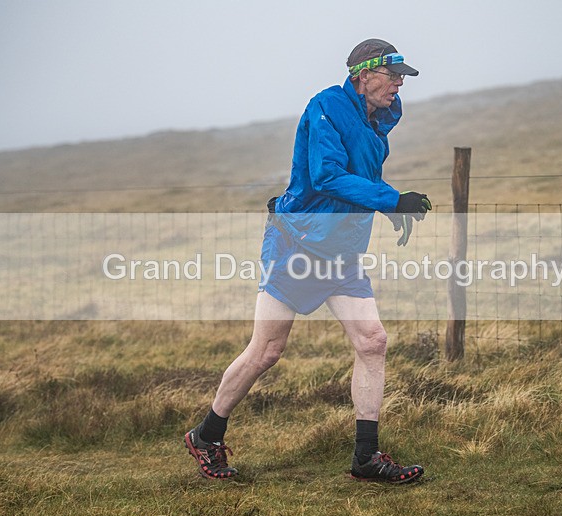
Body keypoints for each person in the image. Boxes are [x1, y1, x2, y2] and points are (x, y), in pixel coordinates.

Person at [184, 38, 432, 483]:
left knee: (373, 341)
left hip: (342, 253)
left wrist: (389, 207)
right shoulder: (326, 106)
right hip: (297, 245)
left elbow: (360, 174)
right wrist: (391, 200)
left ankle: (366, 457)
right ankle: (206, 435)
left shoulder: (376, 119)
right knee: (266, 351)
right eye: (393, 75)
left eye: (402, 78)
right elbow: (327, 174)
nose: (399, 84)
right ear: (364, 74)